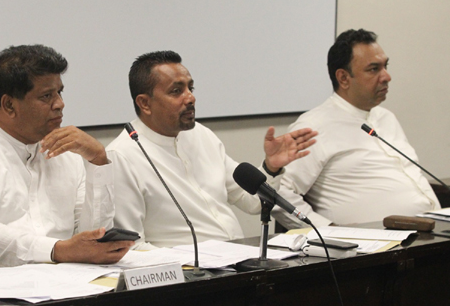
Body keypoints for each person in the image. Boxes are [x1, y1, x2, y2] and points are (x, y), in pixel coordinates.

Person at [0, 45, 133, 277]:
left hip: (60, 283)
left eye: (60, 92)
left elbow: (93, 238)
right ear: (9, 105)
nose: (60, 103)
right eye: (46, 96)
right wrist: (58, 250)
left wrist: (98, 161)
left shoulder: (66, 150)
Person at [106, 51, 317, 250]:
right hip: (188, 270)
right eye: (176, 91)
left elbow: (251, 201)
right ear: (144, 103)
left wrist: (271, 168)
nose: (190, 98)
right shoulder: (122, 156)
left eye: (191, 88)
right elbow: (133, 247)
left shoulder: (200, 134)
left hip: (236, 257)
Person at [274, 29, 439, 228]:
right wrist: (327, 232)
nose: (386, 76)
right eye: (374, 69)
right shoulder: (314, 127)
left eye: (385, 66)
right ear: (343, 78)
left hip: (433, 230)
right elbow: (278, 192)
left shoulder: (386, 117)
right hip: (376, 242)